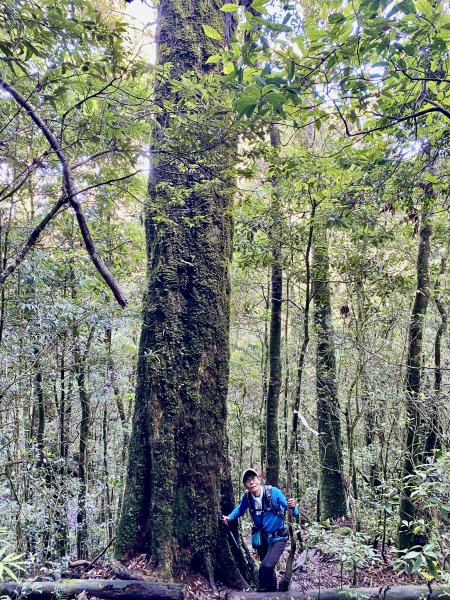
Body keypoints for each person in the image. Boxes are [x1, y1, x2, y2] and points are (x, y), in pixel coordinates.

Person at [221, 468, 298, 592]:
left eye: (253, 479)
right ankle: (272, 593)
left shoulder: (274, 492)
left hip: (279, 538)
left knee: (265, 566)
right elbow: (240, 509)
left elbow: (293, 512)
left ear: (259, 479)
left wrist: (293, 507)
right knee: (268, 568)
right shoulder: (247, 497)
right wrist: (228, 518)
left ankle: (261, 592)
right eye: (247, 481)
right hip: (263, 539)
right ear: (245, 485)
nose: (251, 482)